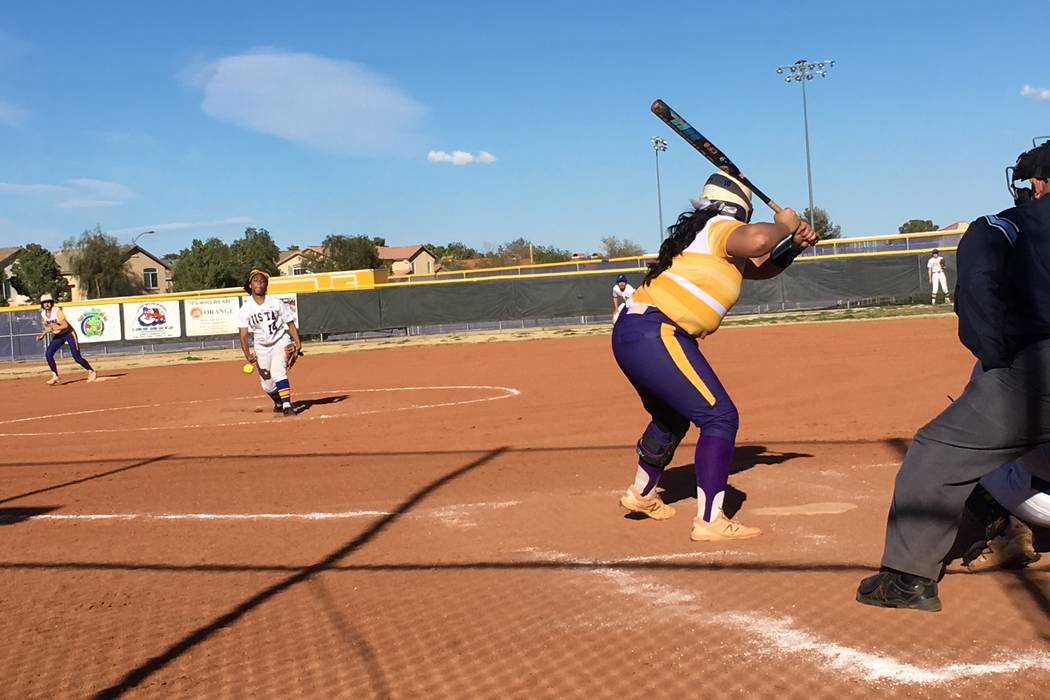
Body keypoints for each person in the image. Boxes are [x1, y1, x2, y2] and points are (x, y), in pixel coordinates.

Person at [857, 141, 1050, 612]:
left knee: (938, 451)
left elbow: (979, 298)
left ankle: (907, 579)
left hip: (1038, 374)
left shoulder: (1003, 225)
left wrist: (997, 359)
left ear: (1041, 182)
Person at [611, 173, 817, 541]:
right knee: (720, 417)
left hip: (638, 331)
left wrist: (793, 244)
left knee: (672, 417)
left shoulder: (706, 236)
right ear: (740, 209)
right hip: (658, 331)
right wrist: (781, 225)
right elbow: (757, 241)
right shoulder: (722, 226)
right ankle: (710, 522)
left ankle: (641, 495)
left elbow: (760, 266)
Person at [238, 269, 302, 417]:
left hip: (280, 340)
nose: (259, 283)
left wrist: (298, 343)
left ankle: (287, 405)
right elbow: (243, 335)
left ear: (266, 285)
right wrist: (247, 354)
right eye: (256, 280)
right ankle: (279, 402)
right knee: (267, 383)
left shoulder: (276, 303)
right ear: (250, 284)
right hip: (261, 347)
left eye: (262, 281)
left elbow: (290, 323)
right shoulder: (246, 309)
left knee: (278, 370)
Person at [35, 293, 97, 385]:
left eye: (48, 302)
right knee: (48, 353)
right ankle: (55, 375)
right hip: (59, 336)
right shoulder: (43, 314)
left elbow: (65, 325)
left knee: (77, 358)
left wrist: (52, 328)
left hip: (69, 334)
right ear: (42, 304)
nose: (47, 304)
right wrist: (42, 334)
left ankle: (91, 371)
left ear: (52, 303)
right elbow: (47, 327)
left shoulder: (57, 311)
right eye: (44, 302)